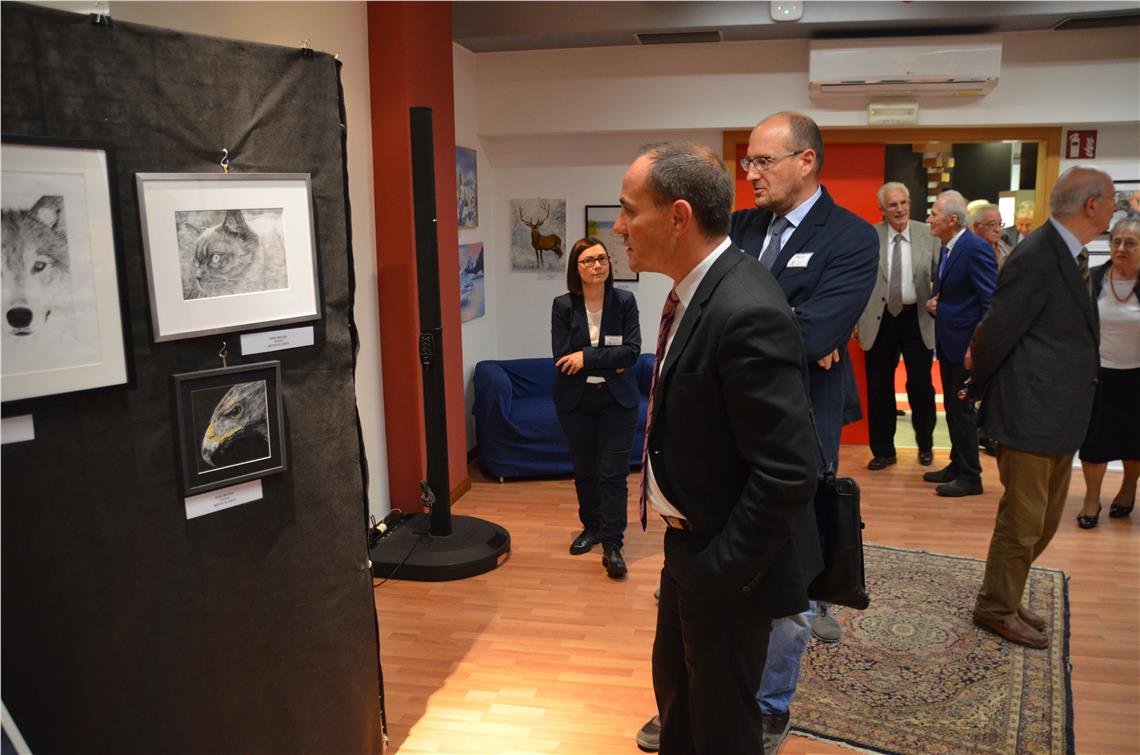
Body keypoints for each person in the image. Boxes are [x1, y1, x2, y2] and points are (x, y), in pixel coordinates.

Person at [638, 112, 878, 754]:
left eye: (764, 161)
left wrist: (780, 327)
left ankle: (769, 706)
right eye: (746, 162)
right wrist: (791, 328)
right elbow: (770, 321)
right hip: (719, 454)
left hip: (793, 433)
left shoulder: (850, 236)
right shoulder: (741, 228)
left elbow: (809, 331)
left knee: (780, 584)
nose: (750, 174)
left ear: (807, 160)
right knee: (703, 656)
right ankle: (714, 701)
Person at [615, 141, 819, 754]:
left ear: (678, 217)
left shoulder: (744, 307)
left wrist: (717, 574)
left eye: (630, 211)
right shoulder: (699, 291)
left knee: (722, 727)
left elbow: (788, 472)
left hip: (725, 564)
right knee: (681, 709)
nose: (619, 227)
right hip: (690, 546)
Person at [970, 166, 1113, 648]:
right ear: (1091, 205)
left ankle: (1005, 595)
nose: (1115, 209)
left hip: (1059, 413)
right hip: (1028, 410)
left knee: (1045, 520)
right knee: (1023, 521)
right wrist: (979, 388)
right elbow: (996, 330)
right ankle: (995, 608)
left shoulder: (1070, 254)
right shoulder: (1038, 254)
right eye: (1111, 201)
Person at [551, 237, 642, 578]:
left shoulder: (625, 301)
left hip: (618, 402)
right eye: (588, 260)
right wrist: (608, 362)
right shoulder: (563, 306)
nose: (597, 265)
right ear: (576, 268)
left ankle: (613, 543)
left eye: (602, 258)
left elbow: (631, 353)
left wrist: (586, 358)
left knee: (613, 474)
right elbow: (562, 358)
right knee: (585, 470)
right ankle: (591, 527)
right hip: (576, 402)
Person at [858, 182, 939, 470]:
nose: (900, 209)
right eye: (893, 205)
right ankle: (883, 451)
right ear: (882, 209)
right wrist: (855, 319)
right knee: (879, 388)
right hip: (879, 320)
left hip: (917, 318)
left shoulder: (928, 234)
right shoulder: (869, 235)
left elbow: (941, 274)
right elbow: (858, 280)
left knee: (921, 386)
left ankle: (926, 444)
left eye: (904, 202)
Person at [923, 190, 998, 497]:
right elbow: (959, 296)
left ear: (952, 219)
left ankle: (970, 476)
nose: (929, 219)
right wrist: (938, 305)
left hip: (965, 346)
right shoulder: (948, 248)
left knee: (963, 410)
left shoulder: (975, 248)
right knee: (954, 409)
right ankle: (957, 464)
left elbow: (990, 302)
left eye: (934, 214)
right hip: (949, 342)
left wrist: (975, 346)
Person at [1075, 216, 1140, 528]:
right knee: (1094, 440)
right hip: (1098, 376)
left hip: (1137, 378)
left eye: (1131, 243)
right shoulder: (1095, 278)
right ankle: (1091, 499)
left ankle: (1128, 489)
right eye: (1116, 242)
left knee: (1134, 440)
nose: (1121, 248)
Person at [970, 202, 1013, 269]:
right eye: (992, 225)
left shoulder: (1008, 252)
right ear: (975, 226)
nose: (998, 230)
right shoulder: (966, 252)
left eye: (1000, 224)